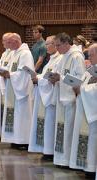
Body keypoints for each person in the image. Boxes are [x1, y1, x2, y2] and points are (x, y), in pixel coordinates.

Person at [49, 32, 86, 167]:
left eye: (58, 45)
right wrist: (54, 78)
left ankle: (68, 160)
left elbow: (80, 79)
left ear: (66, 43)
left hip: (71, 100)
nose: (57, 48)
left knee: (69, 130)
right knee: (61, 129)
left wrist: (61, 79)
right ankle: (61, 159)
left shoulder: (76, 57)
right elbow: (60, 73)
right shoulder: (64, 57)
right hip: (62, 98)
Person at [28, 35, 62, 160]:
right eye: (46, 44)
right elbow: (45, 74)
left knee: (50, 123)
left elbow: (51, 77)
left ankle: (49, 151)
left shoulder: (59, 59)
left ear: (56, 44)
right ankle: (46, 149)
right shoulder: (51, 59)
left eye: (49, 44)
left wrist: (38, 79)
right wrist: (37, 76)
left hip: (51, 98)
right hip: (45, 95)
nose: (46, 46)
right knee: (46, 123)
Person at [0, 33, 34, 149]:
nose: (7, 45)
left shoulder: (25, 54)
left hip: (22, 91)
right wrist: (3, 72)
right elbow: (10, 68)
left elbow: (25, 73)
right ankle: (15, 139)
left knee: (22, 115)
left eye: (9, 42)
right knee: (14, 115)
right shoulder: (14, 53)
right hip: (13, 88)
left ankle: (23, 140)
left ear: (16, 41)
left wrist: (9, 75)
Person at [69, 43, 97, 178]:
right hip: (85, 109)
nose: (89, 58)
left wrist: (82, 90)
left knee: (93, 139)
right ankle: (87, 167)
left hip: (93, 113)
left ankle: (92, 168)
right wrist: (77, 86)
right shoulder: (91, 69)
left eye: (91, 55)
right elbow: (84, 84)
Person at [0, 32, 13, 135]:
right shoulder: (4, 53)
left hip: (10, 84)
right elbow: (1, 65)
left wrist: (3, 71)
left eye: (4, 41)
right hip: (3, 84)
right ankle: (3, 132)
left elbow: (10, 69)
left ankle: (7, 133)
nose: (2, 43)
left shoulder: (13, 53)